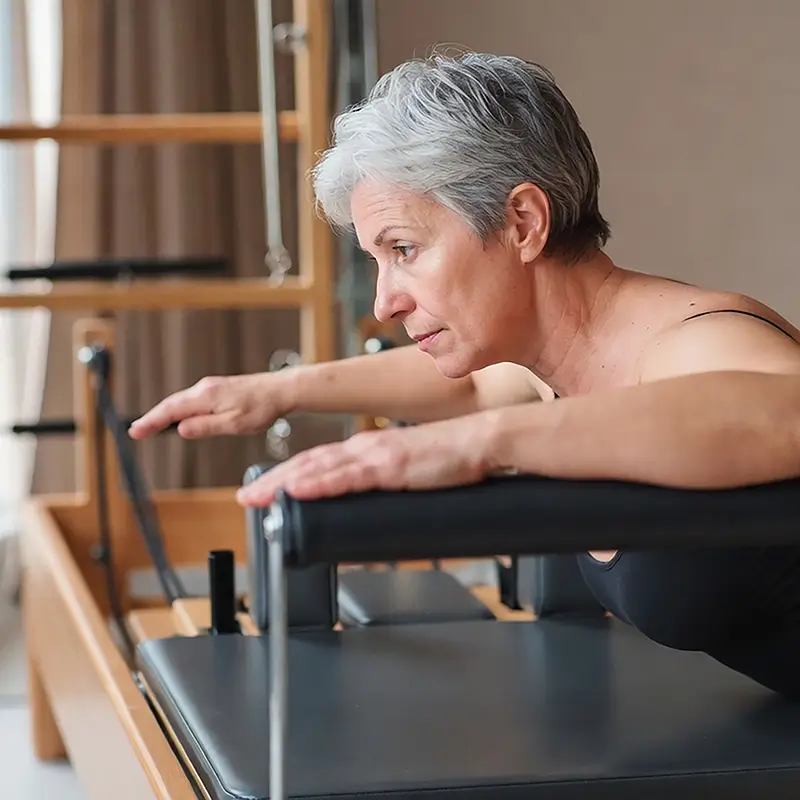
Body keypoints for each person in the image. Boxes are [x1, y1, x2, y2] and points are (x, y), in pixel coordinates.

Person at [129, 51, 800, 698]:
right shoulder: (551, 370)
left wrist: (468, 446)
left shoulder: (701, 342)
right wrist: (275, 391)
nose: (384, 301)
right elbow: (472, 387)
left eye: (404, 250)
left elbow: (784, 411)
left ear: (523, 222)